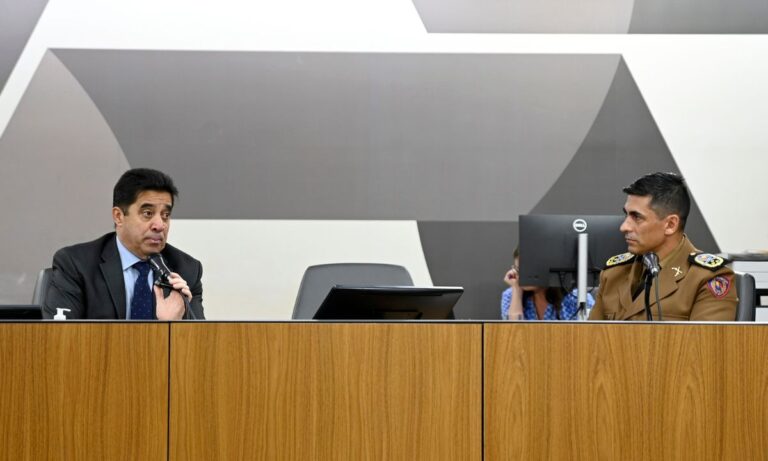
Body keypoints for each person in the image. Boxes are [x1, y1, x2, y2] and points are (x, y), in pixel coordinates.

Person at [43, 168, 204, 319]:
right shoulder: (76, 264)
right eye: (148, 213)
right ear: (118, 216)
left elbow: (201, 343)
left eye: (165, 215)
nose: (160, 225)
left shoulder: (186, 270)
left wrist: (174, 324)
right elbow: (61, 338)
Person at [588, 172, 736, 321]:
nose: (624, 227)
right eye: (626, 215)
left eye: (637, 217)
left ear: (670, 225)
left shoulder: (707, 278)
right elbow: (588, 340)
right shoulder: (614, 274)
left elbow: (705, 344)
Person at [501, 248, 595, 320]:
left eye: (528, 270)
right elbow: (513, 335)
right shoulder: (510, 295)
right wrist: (517, 292)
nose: (522, 275)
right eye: (518, 269)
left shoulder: (577, 298)